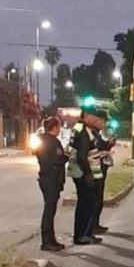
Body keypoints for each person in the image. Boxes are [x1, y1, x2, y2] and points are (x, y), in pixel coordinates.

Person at [70, 106, 103, 245]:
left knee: (86, 203)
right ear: (86, 115)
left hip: (80, 171)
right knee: (86, 203)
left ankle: (86, 233)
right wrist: (88, 174)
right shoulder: (82, 131)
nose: (96, 120)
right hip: (83, 172)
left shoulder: (79, 128)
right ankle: (82, 235)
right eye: (94, 117)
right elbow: (82, 155)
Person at [35, 117, 67, 251]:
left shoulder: (40, 140)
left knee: (50, 209)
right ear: (55, 127)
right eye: (58, 127)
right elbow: (57, 159)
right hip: (51, 178)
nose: (59, 130)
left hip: (45, 177)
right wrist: (67, 157)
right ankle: (47, 241)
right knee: (49, 210)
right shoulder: (53, 141)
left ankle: (50, 239)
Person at [92, 111, 116, 235]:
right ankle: (92, 225)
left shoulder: (97, 133)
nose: (105, 125)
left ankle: (95, 224)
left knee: (98, 197)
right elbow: (96, 150)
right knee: (96, 197)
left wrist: (109, 144)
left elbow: (102, 147)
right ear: (99, 120)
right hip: (96, 169)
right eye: (104, 121)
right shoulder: (93, 133)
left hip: (100, 169)